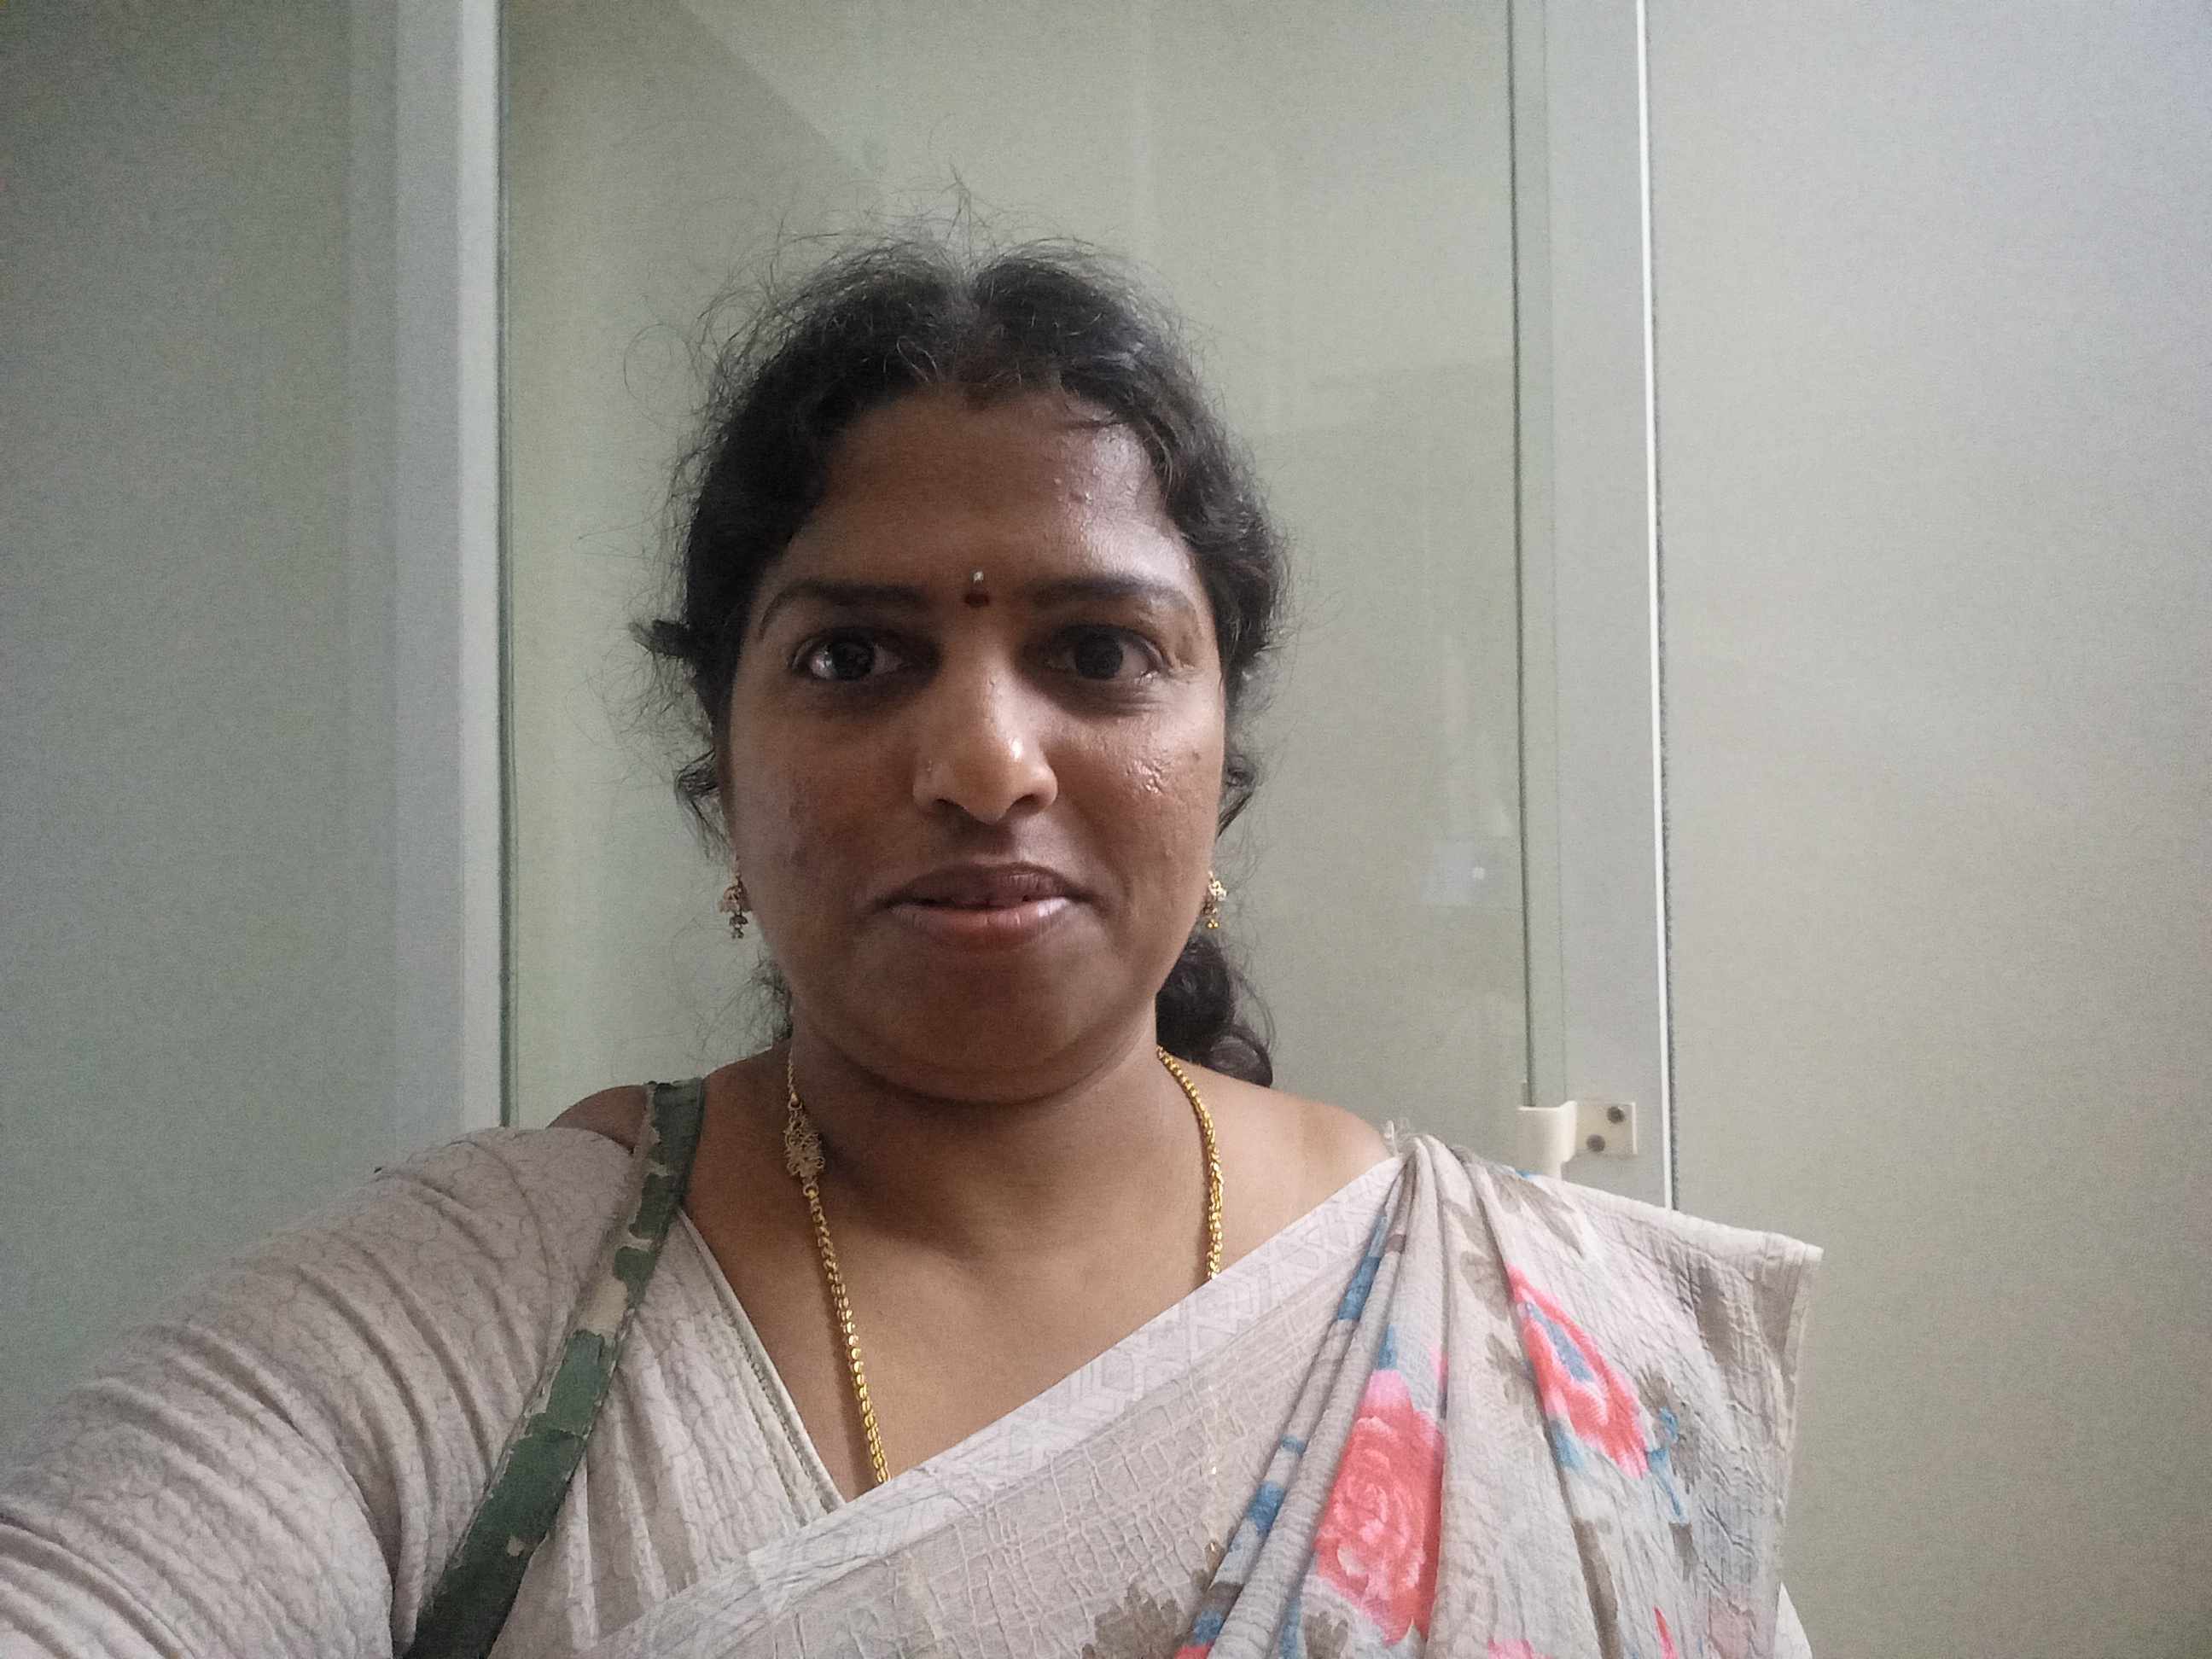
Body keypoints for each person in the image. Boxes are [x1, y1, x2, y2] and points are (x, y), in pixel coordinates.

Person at [0, 237, 1819, 1658]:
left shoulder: (1537, 1337)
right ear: (723, 770)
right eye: (856, 658)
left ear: (1220, 758)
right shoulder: (474, 1326)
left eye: (1099, 652)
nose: (985, 761)